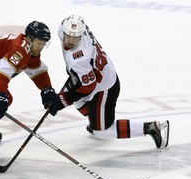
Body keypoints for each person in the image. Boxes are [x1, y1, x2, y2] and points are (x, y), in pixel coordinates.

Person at [56, 15, 169, 148]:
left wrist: (64, 100)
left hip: (104, 87)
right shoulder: (75, 30)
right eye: (68, 35)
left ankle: (151, 128)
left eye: (74, 38)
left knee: (103, 132)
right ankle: (96, 120)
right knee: (76, 99)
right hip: (98, 73)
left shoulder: (79, 59)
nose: (69, 40)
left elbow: (88, 86)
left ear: (81, 36)